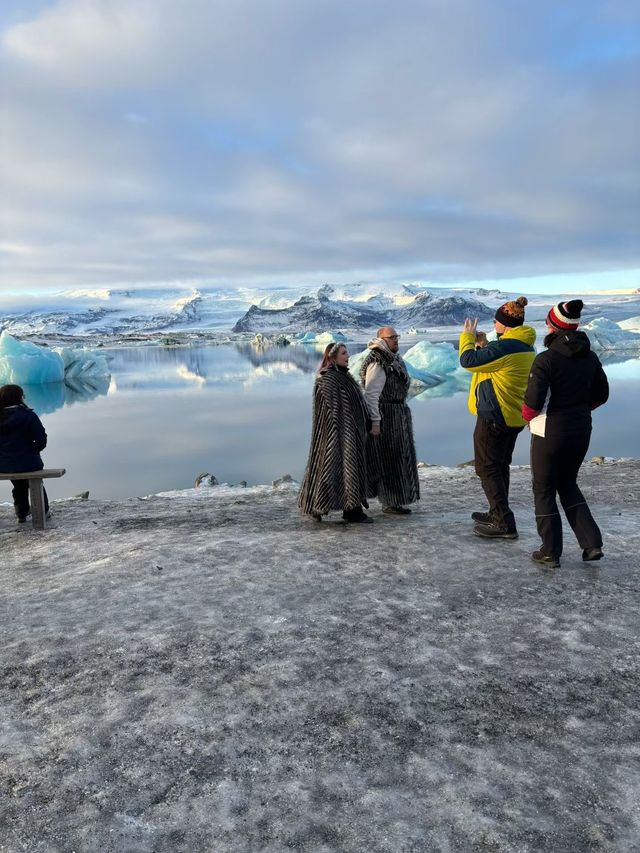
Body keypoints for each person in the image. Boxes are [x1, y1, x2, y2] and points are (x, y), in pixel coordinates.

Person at [522, 300, 609, 568]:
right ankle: (591, 543)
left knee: (544, 489)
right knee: (568, 483)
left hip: (549, 432)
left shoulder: (546, 359)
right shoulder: (590, 356)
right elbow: (602, 394)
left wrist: (527, 416)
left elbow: (532, 404)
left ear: (553, 326)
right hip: (581, 428)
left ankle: (550, 551)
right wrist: (581, 409)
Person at [459, 297, 536, 539]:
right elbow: (493, 365)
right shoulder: (523, 345)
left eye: (496, 321)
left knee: (486, 468)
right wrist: (485, 344)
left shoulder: (505, 347)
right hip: (511, 416)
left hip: (494, 415)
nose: (494, 324)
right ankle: (497, 512)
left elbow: (468, 361)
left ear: (505, 323)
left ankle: (503, 521)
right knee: (500, 466)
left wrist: (468, 338)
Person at [298, 342, 372, 523]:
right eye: (343, 353)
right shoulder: (328, 379)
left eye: (347, 353)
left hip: (348, 433)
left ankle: (345, 508)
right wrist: (350, 431)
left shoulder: (342, 376)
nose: (348, 356)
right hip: (337, 435)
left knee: (338, 470)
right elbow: (337, 410)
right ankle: (347, 510)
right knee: (332, 470)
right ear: (332, 357)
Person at [359, 326, 419, 514]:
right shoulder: (378, 361)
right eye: (391, 337)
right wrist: (375, 422)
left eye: (396, 336)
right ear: (381, 339)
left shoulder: (391, 358)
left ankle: (396, 499)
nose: (396, 340)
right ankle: (390, 500)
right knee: (389, 457)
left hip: (397, 414)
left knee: (398, 456)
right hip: (387, 416)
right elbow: (371, 394)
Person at [0, 384, 50, 523]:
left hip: (4, 465)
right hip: (29, 462)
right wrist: (31, 451)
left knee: (18, 485)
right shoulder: (29, 416)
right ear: (19, 398)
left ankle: (22, 513)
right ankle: (43, 511)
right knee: (37, 482)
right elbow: (41, 440)